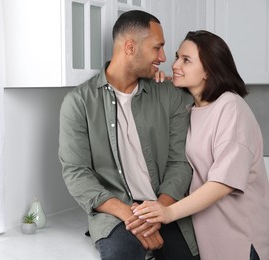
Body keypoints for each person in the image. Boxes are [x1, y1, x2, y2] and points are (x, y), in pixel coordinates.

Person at [58, 10, 200, 260]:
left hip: (165, 204)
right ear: (131, 47)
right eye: (158, 48)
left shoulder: (168, 95)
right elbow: (76, 172)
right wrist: (129, 214)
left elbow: (179, 163)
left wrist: (158, 212)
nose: (164, 57)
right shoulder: (78, 102)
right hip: (115, 213)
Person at [130, 30, 269, 260]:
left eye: (186, 60)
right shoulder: (192, 108)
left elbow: (222, 183)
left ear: (208, 70)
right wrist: (160, 85)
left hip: (241, 240)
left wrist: (168, 212)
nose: (175, 64)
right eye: (177, 57)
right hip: (210, 239)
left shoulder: (230, 108)